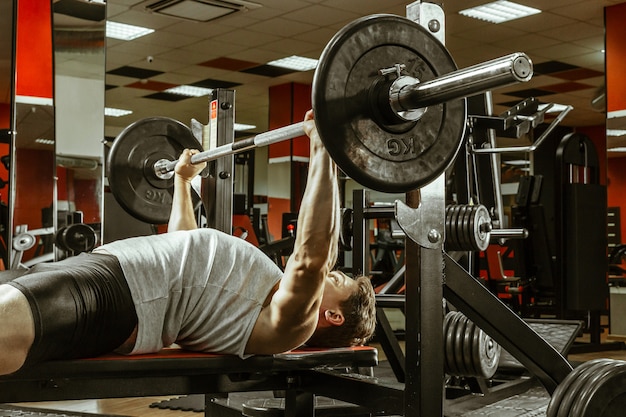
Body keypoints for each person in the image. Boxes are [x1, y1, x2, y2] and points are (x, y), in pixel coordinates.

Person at [0, 110, 377, 376]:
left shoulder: (289, 326)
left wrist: (324, 150)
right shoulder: (264, 282)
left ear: (333, 316)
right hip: (108, 268)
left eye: (337, 281)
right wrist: (182, 182)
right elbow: (186, 243)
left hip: (125, 297)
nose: (330, 272)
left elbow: (312, 256)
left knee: (7, 322)